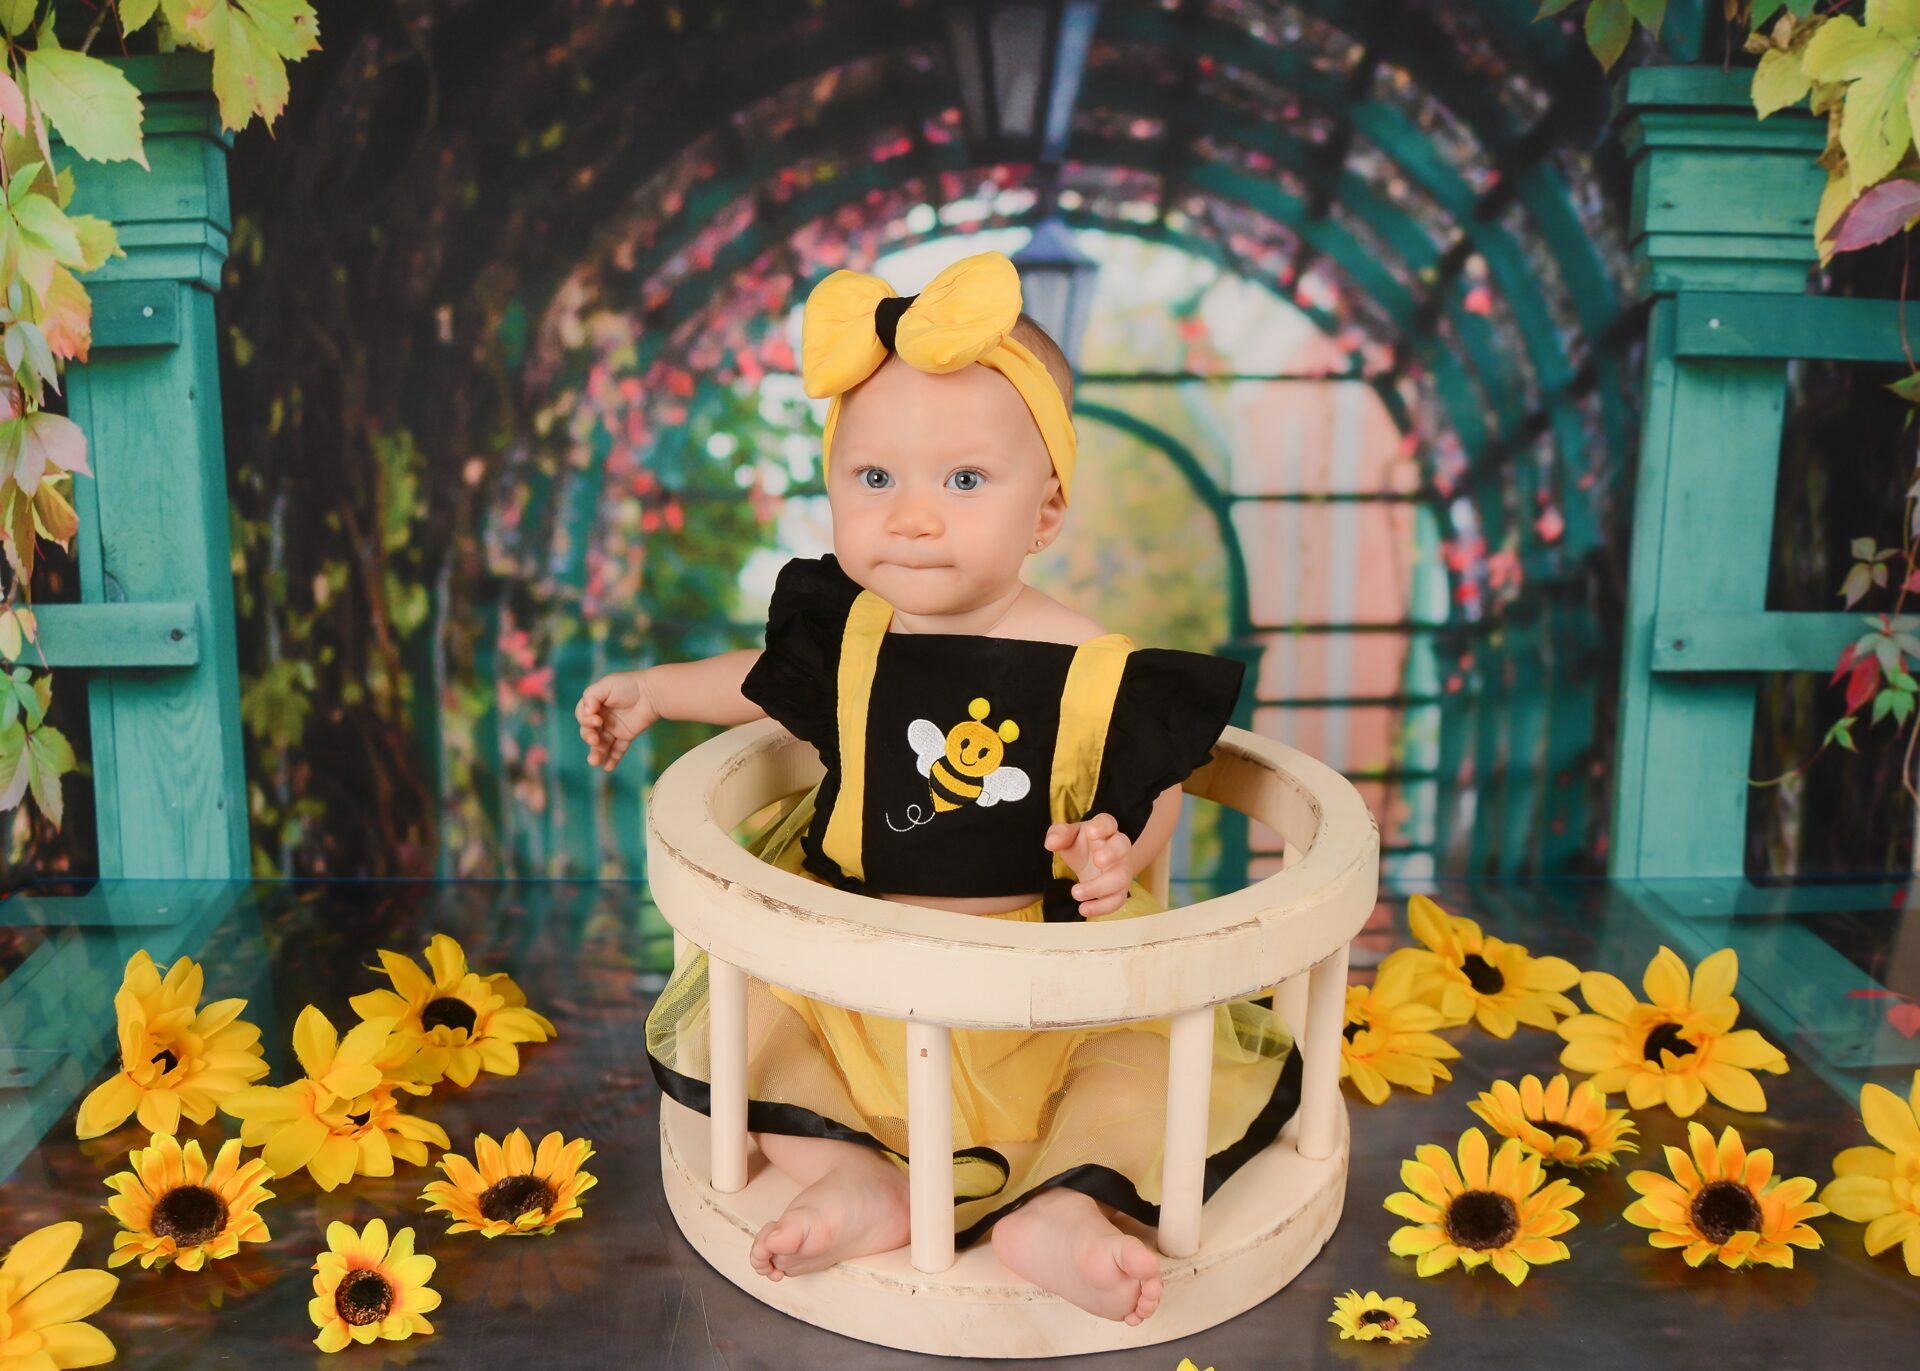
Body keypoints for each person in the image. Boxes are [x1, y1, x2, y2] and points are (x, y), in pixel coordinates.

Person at [575, 251, 1299, 1327]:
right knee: (753, 1021)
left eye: (963, 482)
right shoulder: (849, 634)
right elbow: (755, 684)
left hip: (1047, 991)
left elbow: (1155, 786)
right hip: (858, 974)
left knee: (1137, 1076)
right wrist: (653, 691)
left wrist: (1118, 850)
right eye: (875, 479)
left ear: (1045, 512)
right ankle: (851, 1175)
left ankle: (1060, 1211)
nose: (913, 517)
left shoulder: (1092, 665)